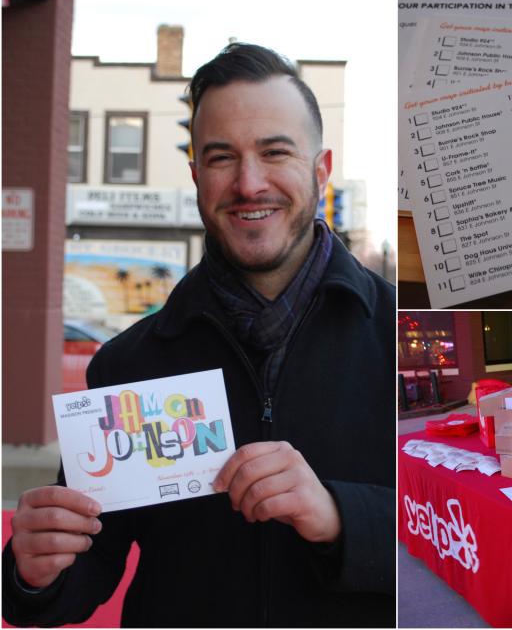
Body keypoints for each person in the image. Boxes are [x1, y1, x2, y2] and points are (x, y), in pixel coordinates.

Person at [3, 43, 395, 628]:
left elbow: (464, 534)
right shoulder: (128, 364)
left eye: (275, 152)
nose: (249, 182)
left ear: (321, 169)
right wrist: (31, 570)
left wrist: (342, 515)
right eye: (221, 158)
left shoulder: (401, 335)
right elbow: (88, 567)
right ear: (196, 176)